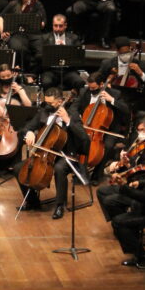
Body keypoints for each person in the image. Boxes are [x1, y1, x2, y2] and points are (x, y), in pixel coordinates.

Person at [13, 87, 89, 219]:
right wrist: (29, 132)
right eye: (46, 102)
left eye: (51, 103)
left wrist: (67, 120)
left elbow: (84, 138)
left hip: (67, 153)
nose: (47, 105)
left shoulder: (73, 114)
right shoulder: (44, 111)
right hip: (45, 153)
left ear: (60, 101)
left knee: (59, 169)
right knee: (18, 168)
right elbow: (25, 128)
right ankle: (32, 201)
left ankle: (60, 205)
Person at [69, 71, 129, 185]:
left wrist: (112, 100)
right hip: (88, 126)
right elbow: (73, 109)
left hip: (109, 128)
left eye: (94, 88)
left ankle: (97, 174)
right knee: (76, 140)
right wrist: (80, 120)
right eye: (89, 88)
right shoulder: (84, 92)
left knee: (107, 146)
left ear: (102, 84)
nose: (91, 90)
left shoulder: (115, 93)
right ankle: (81, 172)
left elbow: (126, 110)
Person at [96, 116, 145, 226]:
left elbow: (142, 172)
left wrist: (133, 178)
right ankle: (119, 221)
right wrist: (124, 163)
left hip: (141, 190)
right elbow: (134, 166)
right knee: (101, 191)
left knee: (109, 200)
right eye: (138, 130)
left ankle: (123, 224)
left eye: (143, 130)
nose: (140, 133)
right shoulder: (139, 144)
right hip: (131, 183)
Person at [0, 64, 32, 174]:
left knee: (19, 133)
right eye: (3, 77)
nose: (6, 79)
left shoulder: (19, 87)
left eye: (8, 76)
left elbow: (28, 105)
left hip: (13, 122)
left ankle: (13, 162)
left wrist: (19, 91)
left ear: (12, 74)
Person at [0, 0, 47, 73]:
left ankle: (32, 74)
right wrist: (2, 31)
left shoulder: (38, 4)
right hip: (17, 34)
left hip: (33, 33)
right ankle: (21, 72)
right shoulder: (14, 4)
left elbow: (43, 22)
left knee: (41, 54)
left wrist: (40, 23)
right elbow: (0, 17)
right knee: (19, 49)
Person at [98, 36, 145, 118]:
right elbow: (97, 79)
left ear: (131, 49)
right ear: (117, 51)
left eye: (127, 52)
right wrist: (107, 83)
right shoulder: (107, 64)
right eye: (122, 53)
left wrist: (141, 73)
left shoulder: (140, 64)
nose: (126, 56)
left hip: (133, 99)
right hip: (113, 97)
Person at [38, 14, 85, 91]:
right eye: (55, 26)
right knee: (46, 82)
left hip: (68, 71)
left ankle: (76, 102)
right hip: (51, 71)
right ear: (52, 25)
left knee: (79, 82)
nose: (58, 29)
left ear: (65, 25)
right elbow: (38, 55)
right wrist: (53, 50)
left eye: (60, 26)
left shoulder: (74, 38)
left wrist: (66, 49)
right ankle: (47, 102)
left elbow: (79, 57)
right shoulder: (44, 38)